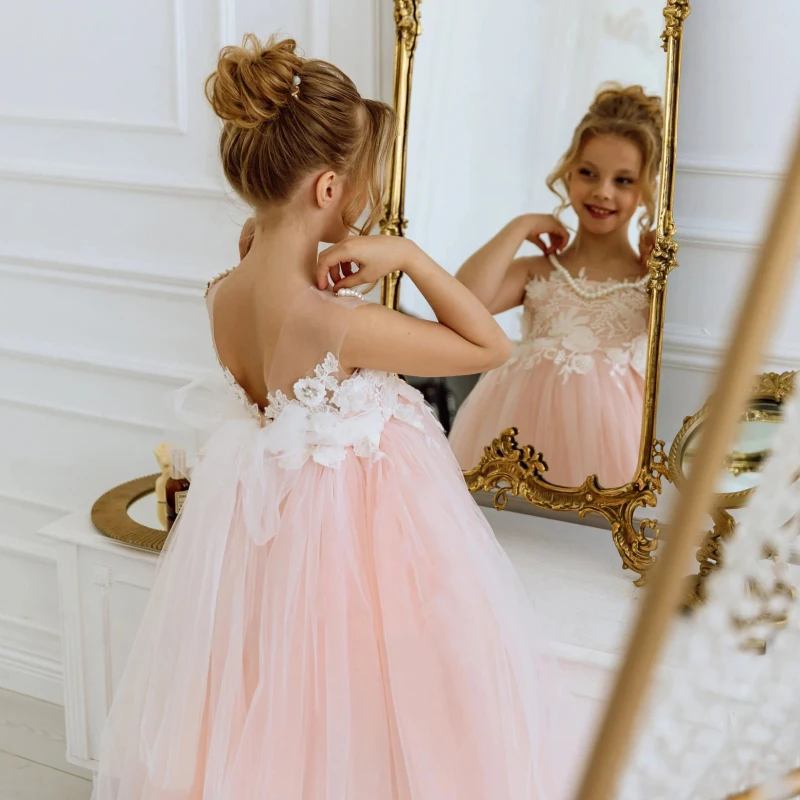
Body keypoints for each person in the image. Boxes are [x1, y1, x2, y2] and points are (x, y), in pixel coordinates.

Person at [91, 34, 576, 800]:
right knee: (368, 709)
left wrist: (267, 242)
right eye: (363, 184)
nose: (369, 198)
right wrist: (410, 256)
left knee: (284, 705)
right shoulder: (337, 324)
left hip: (270, 535)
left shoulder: (223, 291)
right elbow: (489, 348)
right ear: (327, 190)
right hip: (357, 545)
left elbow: (260, 264)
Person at [449, 84, 663, 488]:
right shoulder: (538, 271)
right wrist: (520, 227)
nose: (603, 191)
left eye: (624, 180)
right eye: (588, 173)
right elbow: (461, 303)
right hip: (512, 432)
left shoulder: (653, 281)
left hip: (614, 442)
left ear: (647, 189)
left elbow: (676, 361)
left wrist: (663, 274)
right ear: (567, 173)